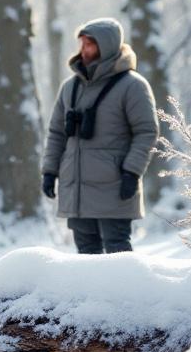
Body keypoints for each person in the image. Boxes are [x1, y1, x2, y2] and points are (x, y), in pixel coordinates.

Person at [40, 18, 158, 254]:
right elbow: (56, 134)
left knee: (118, 251)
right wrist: (50, 171)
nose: (84, 51)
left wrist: (131, 172)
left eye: (90, 45)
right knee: (85, 254)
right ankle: (88, 293)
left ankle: (125, 292)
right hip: (76, 190)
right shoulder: (70, 88)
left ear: (107, 47)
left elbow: (147, 132)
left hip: (113, 186)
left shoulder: (132, 86)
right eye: (82, 44)